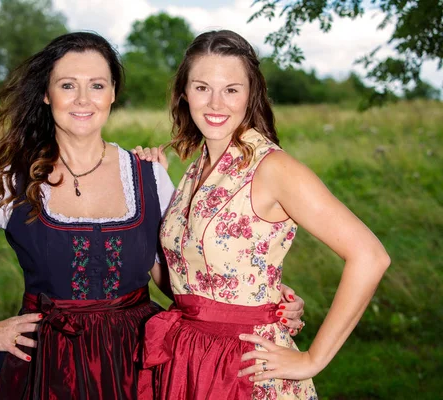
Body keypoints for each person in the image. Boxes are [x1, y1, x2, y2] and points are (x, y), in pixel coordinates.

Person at [0, 32, 305, 400]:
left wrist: (263, 303)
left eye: (97, 85)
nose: (83, 99)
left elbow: (179, 274)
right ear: (47, 94)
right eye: (68, 85)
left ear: (112, 95)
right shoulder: (9, 182)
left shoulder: (148, 175)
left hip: (138, 365)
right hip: (44, 368)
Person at [136, 30, 390, 399]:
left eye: (231, 89)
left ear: (250, 94)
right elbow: (184, 283)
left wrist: (312, 358)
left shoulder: (273, 169)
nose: (215, 103)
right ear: (183, 93)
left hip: (250, 368)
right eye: (202, 87)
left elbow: (370, 256)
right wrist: (148, 193)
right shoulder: (196, 168)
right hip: (191, 360)